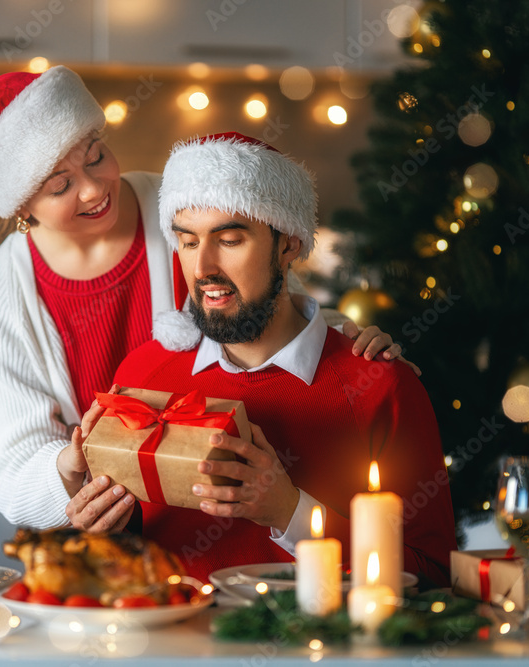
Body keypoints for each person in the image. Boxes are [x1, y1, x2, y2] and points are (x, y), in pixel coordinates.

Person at [0, 67, 410, 530]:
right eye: (60, 185)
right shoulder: (3, 286)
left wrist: (343, 339)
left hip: (209, 510)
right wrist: (73, 476)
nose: (92, 188)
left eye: (96, 155)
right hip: (94, 533)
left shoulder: (181, 209)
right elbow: (13, 462)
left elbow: (273, 303)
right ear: (22, 207)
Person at [68, 132, 456, 583]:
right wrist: (100, 533)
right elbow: (123, 570)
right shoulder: (144, 376)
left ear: (289, 244)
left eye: (229, 240)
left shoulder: (379, 384)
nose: (202, 268)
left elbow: (433, 575)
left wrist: (290, 511)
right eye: (188, 242)